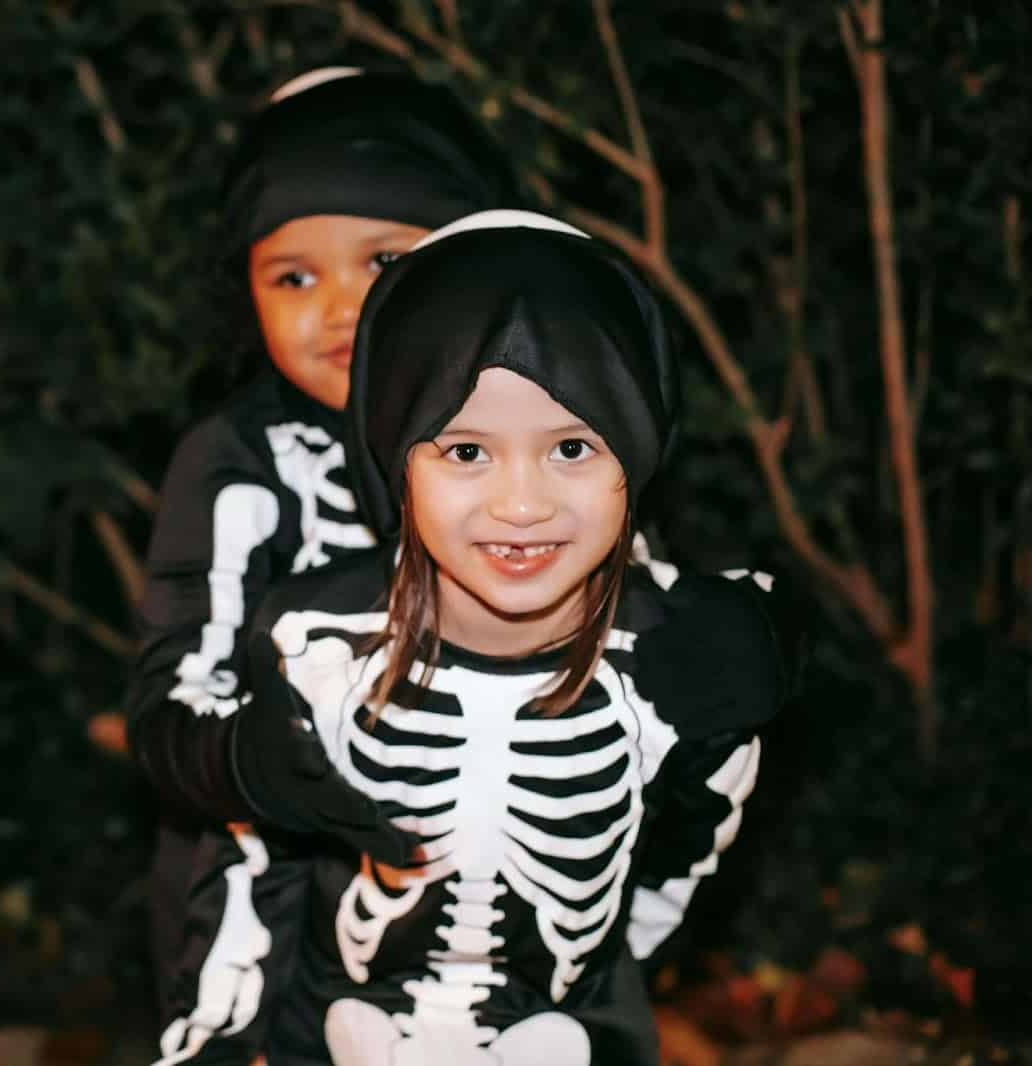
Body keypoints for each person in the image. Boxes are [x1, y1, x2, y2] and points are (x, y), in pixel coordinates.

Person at [154, 213, 788, 1064]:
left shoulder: (690, 660)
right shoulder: (314, 641)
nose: (521, 505)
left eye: (571, 448)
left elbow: (680, 862)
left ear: (634, 460)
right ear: (394, 463)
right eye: (464, 451)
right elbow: (256, 868)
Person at [124, 67, 517, 1024]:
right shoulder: (236, 462)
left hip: (494, 923)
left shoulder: (540, 439)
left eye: (383, 262)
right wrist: (254, 763)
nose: (340, 306)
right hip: (266, 906)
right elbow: (168, 698)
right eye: (293, 276)